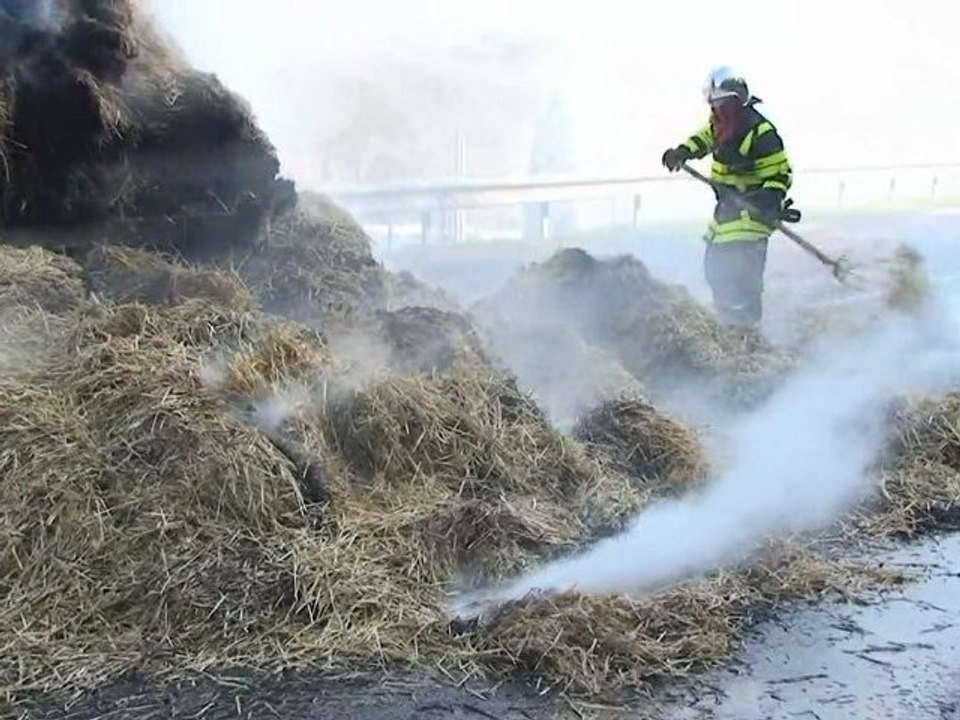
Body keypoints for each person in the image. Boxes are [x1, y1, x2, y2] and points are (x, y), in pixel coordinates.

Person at [661, 66, 796, 331]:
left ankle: (746, 332)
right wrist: (682, 152)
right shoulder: (722, 125)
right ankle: (729, 326)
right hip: (727, 211)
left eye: (719, 103)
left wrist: (769, 200)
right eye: (713, 104)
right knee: (716, 269)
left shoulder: (762, 133)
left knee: (741, 276)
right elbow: (704, 138)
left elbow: (780, 174)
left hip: (754, 213)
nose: (715, 110)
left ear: (735, 101)